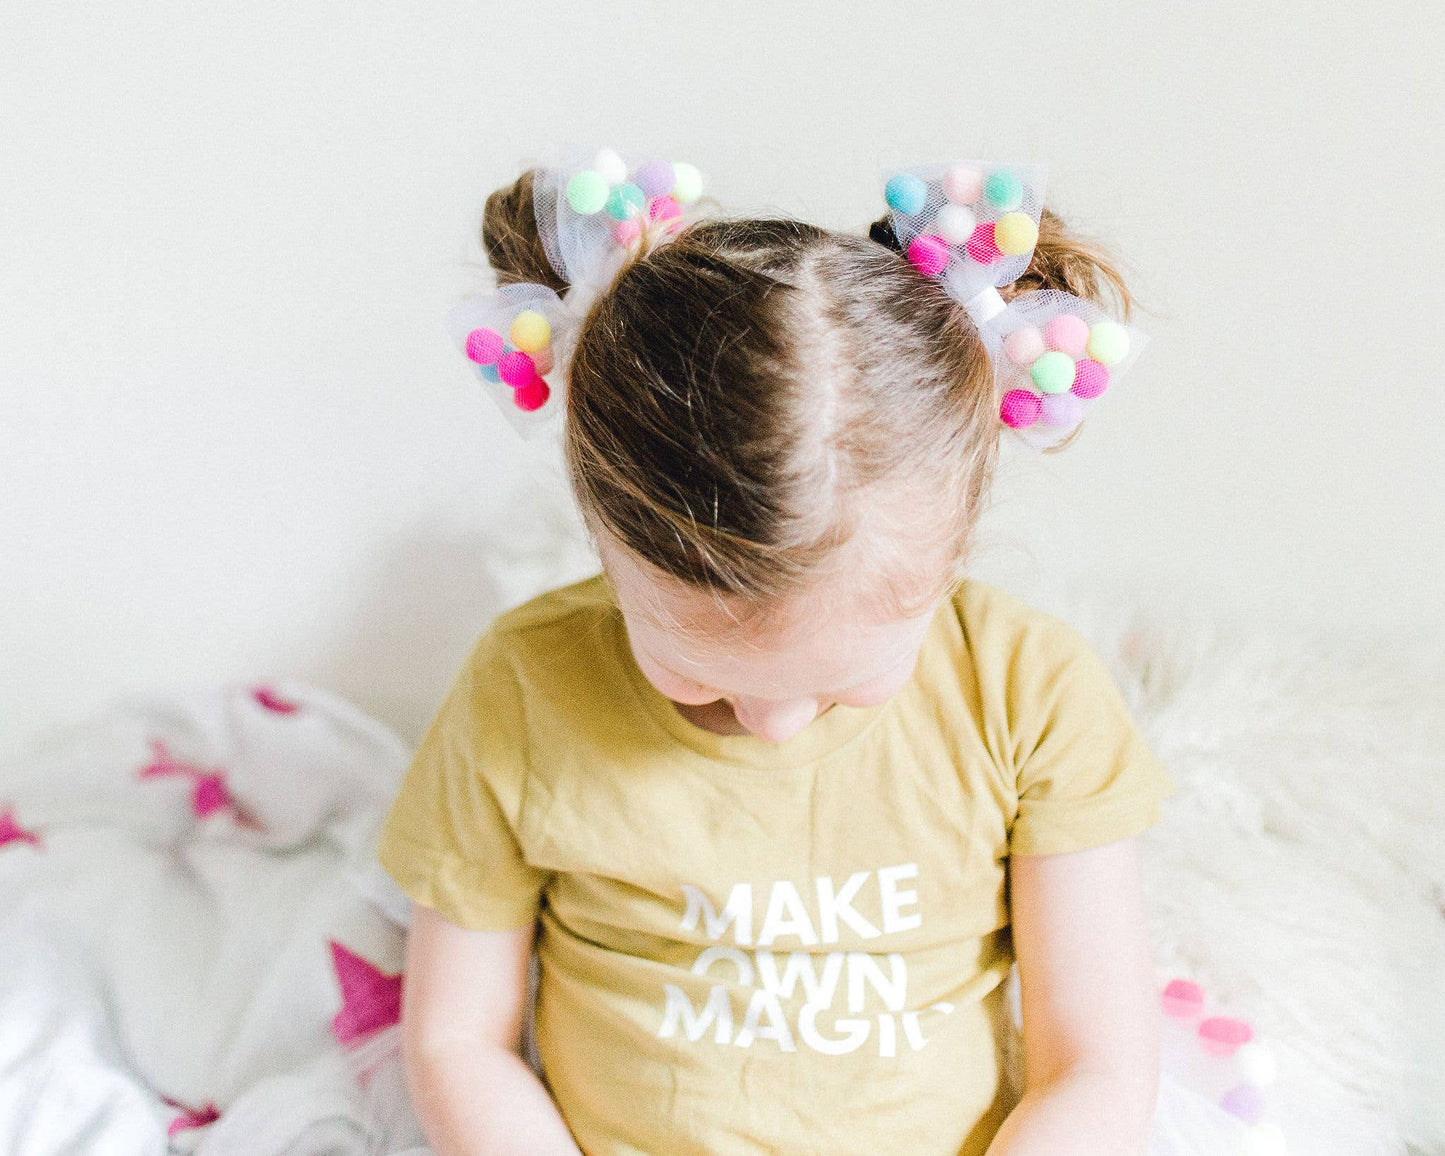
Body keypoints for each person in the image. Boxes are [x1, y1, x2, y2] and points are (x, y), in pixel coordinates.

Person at [377, 149, 1174, 1155]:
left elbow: (1095, 1067)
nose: (773, 721)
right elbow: (456, 1040)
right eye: (701, 673)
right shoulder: (524, 686)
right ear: (603, 536)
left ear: (950, 556)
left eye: (842, 683)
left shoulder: (1026, 691)